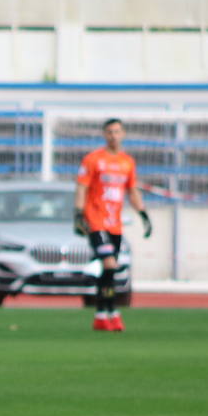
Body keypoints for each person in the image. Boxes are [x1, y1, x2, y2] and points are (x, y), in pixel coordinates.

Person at [74, 118, 151, 332]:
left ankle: (101, 315)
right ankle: (113, 313)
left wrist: (143, 214)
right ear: (104, 135)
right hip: (96, 221)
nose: (113, 136)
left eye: (117, 132)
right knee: (109, 265)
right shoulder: (93, 160)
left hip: (114, 225)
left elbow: (132, 191)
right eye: (109, 132)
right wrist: (79, 214)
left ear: (123, 134)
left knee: (109, 271)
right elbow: (81, 188)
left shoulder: (127, 162)